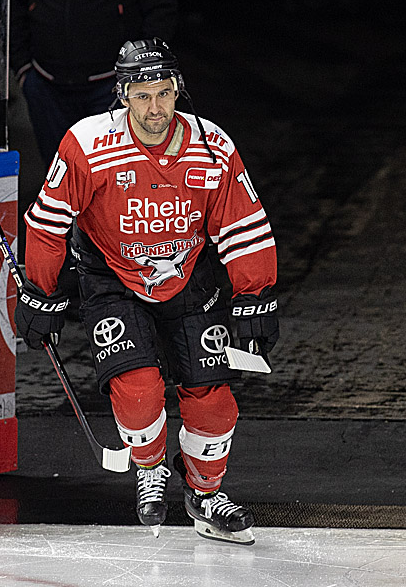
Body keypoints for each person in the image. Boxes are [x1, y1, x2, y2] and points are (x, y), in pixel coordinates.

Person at [14, 38, 279, 545]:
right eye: (141, 95)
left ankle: (205, 494)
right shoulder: (88, 144)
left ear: (178, 89)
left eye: (163, 93)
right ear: (122, 95)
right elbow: (49, 224)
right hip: (112, 281)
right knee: (138, 394)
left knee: (213, 401)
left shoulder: (213, 146)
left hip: (189, 281)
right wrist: (39, 293)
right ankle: (150, 468)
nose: (155, 108)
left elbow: (244, 225)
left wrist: (257, 295)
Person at [10, 0, 178, 168]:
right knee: (61, 177)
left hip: (112, 88)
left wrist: (140, 77)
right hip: (46, 85)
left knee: (113, 178)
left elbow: (161, 9)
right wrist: (23, 69)